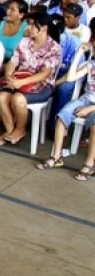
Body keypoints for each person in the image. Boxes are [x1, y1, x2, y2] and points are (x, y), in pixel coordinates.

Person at [0, 12, 61, 146]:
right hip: (20, 80)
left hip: (42, 85)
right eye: (28, 24)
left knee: (18, 98)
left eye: (31, 25)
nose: (28, 28)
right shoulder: (25, 41)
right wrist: (9, 76)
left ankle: (20, 130)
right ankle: (9, 130)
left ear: (44, 28)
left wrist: (21, 82)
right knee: (1, 97)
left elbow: (45, 74)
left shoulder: (54, 47)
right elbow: (13, 62)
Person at [36, 40, 95, 180]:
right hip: (87, 99)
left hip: (92, 105)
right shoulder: (90, 65)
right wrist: (80, 53)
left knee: (94, 127)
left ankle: (89, 164)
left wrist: (90, 108)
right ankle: (56, 156)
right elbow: (70, 77)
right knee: (62, 115)